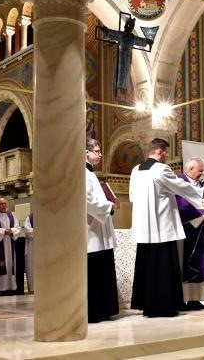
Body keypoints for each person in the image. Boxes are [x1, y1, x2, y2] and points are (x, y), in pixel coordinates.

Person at [129, 138, 204, 317]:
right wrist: (201, 194)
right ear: (159, 151)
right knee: (164, 267)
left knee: (147, 268)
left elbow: (132, 196)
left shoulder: (135, 170)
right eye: (166, 152)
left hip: (144, 228)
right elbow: (181, 187)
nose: (166, 156)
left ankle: (148, 306)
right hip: (162, 227)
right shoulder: (161, 169)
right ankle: (165, 306)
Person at [176, 157, 204, 310]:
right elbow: (180, 206)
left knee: (201, 263)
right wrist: (201, 217)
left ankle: (195, 299)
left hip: (201, 231)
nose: (202, 174)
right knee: (184, 264)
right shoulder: (179, 182)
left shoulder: (202, 185)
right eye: (200, 171)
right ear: (190, 169)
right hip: (185, 230)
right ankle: (182, 299)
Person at [85, 138, 119, 322]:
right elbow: (87, 201)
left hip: (98, 228)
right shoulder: (83, 173)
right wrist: (109, 206)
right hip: (91, 230)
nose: (100, 154)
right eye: (96, 151)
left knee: (102, 268)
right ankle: (95, 311)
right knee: (94, 270)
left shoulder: (91, 173)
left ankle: (104, 309)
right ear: (85, 153)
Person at [24, 212, 34, 294]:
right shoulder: (30, 218)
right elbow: (28, 231)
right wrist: (42, 232)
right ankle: (33, 289)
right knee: (32, 267)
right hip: (32, 247)